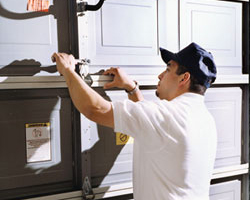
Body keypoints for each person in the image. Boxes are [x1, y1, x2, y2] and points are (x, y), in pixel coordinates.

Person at [52, 42, 217, 200]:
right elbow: (151, 126)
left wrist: (67, 70)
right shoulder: (205, 119)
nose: (160, 75)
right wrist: (132, 88)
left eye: (168, 69)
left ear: (184, 78)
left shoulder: (167, 117)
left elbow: (95, 109)